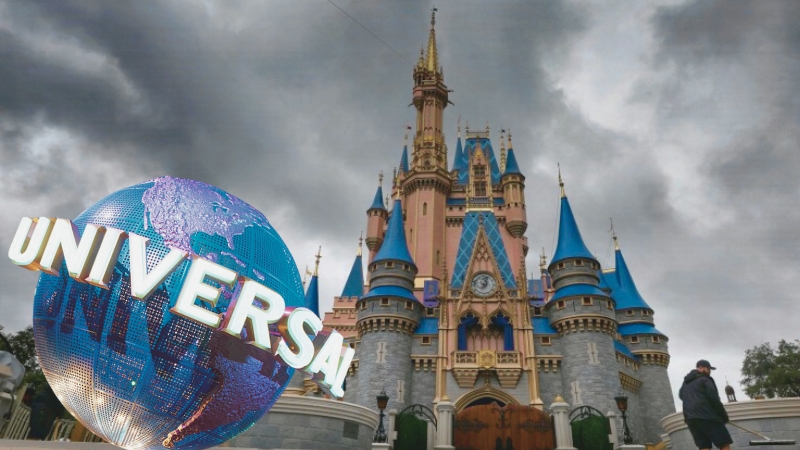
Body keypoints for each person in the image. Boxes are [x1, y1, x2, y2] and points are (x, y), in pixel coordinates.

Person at [679, 359, 733, 450]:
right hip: (708, 417)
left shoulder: (685, 383)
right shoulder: (705, 379)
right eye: (708, 369)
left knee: (704, 446)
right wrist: (724, 416)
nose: (709, 371)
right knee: (724, 443)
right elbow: (714, 399)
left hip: (691, 419)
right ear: (700, 368)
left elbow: (681, 396)